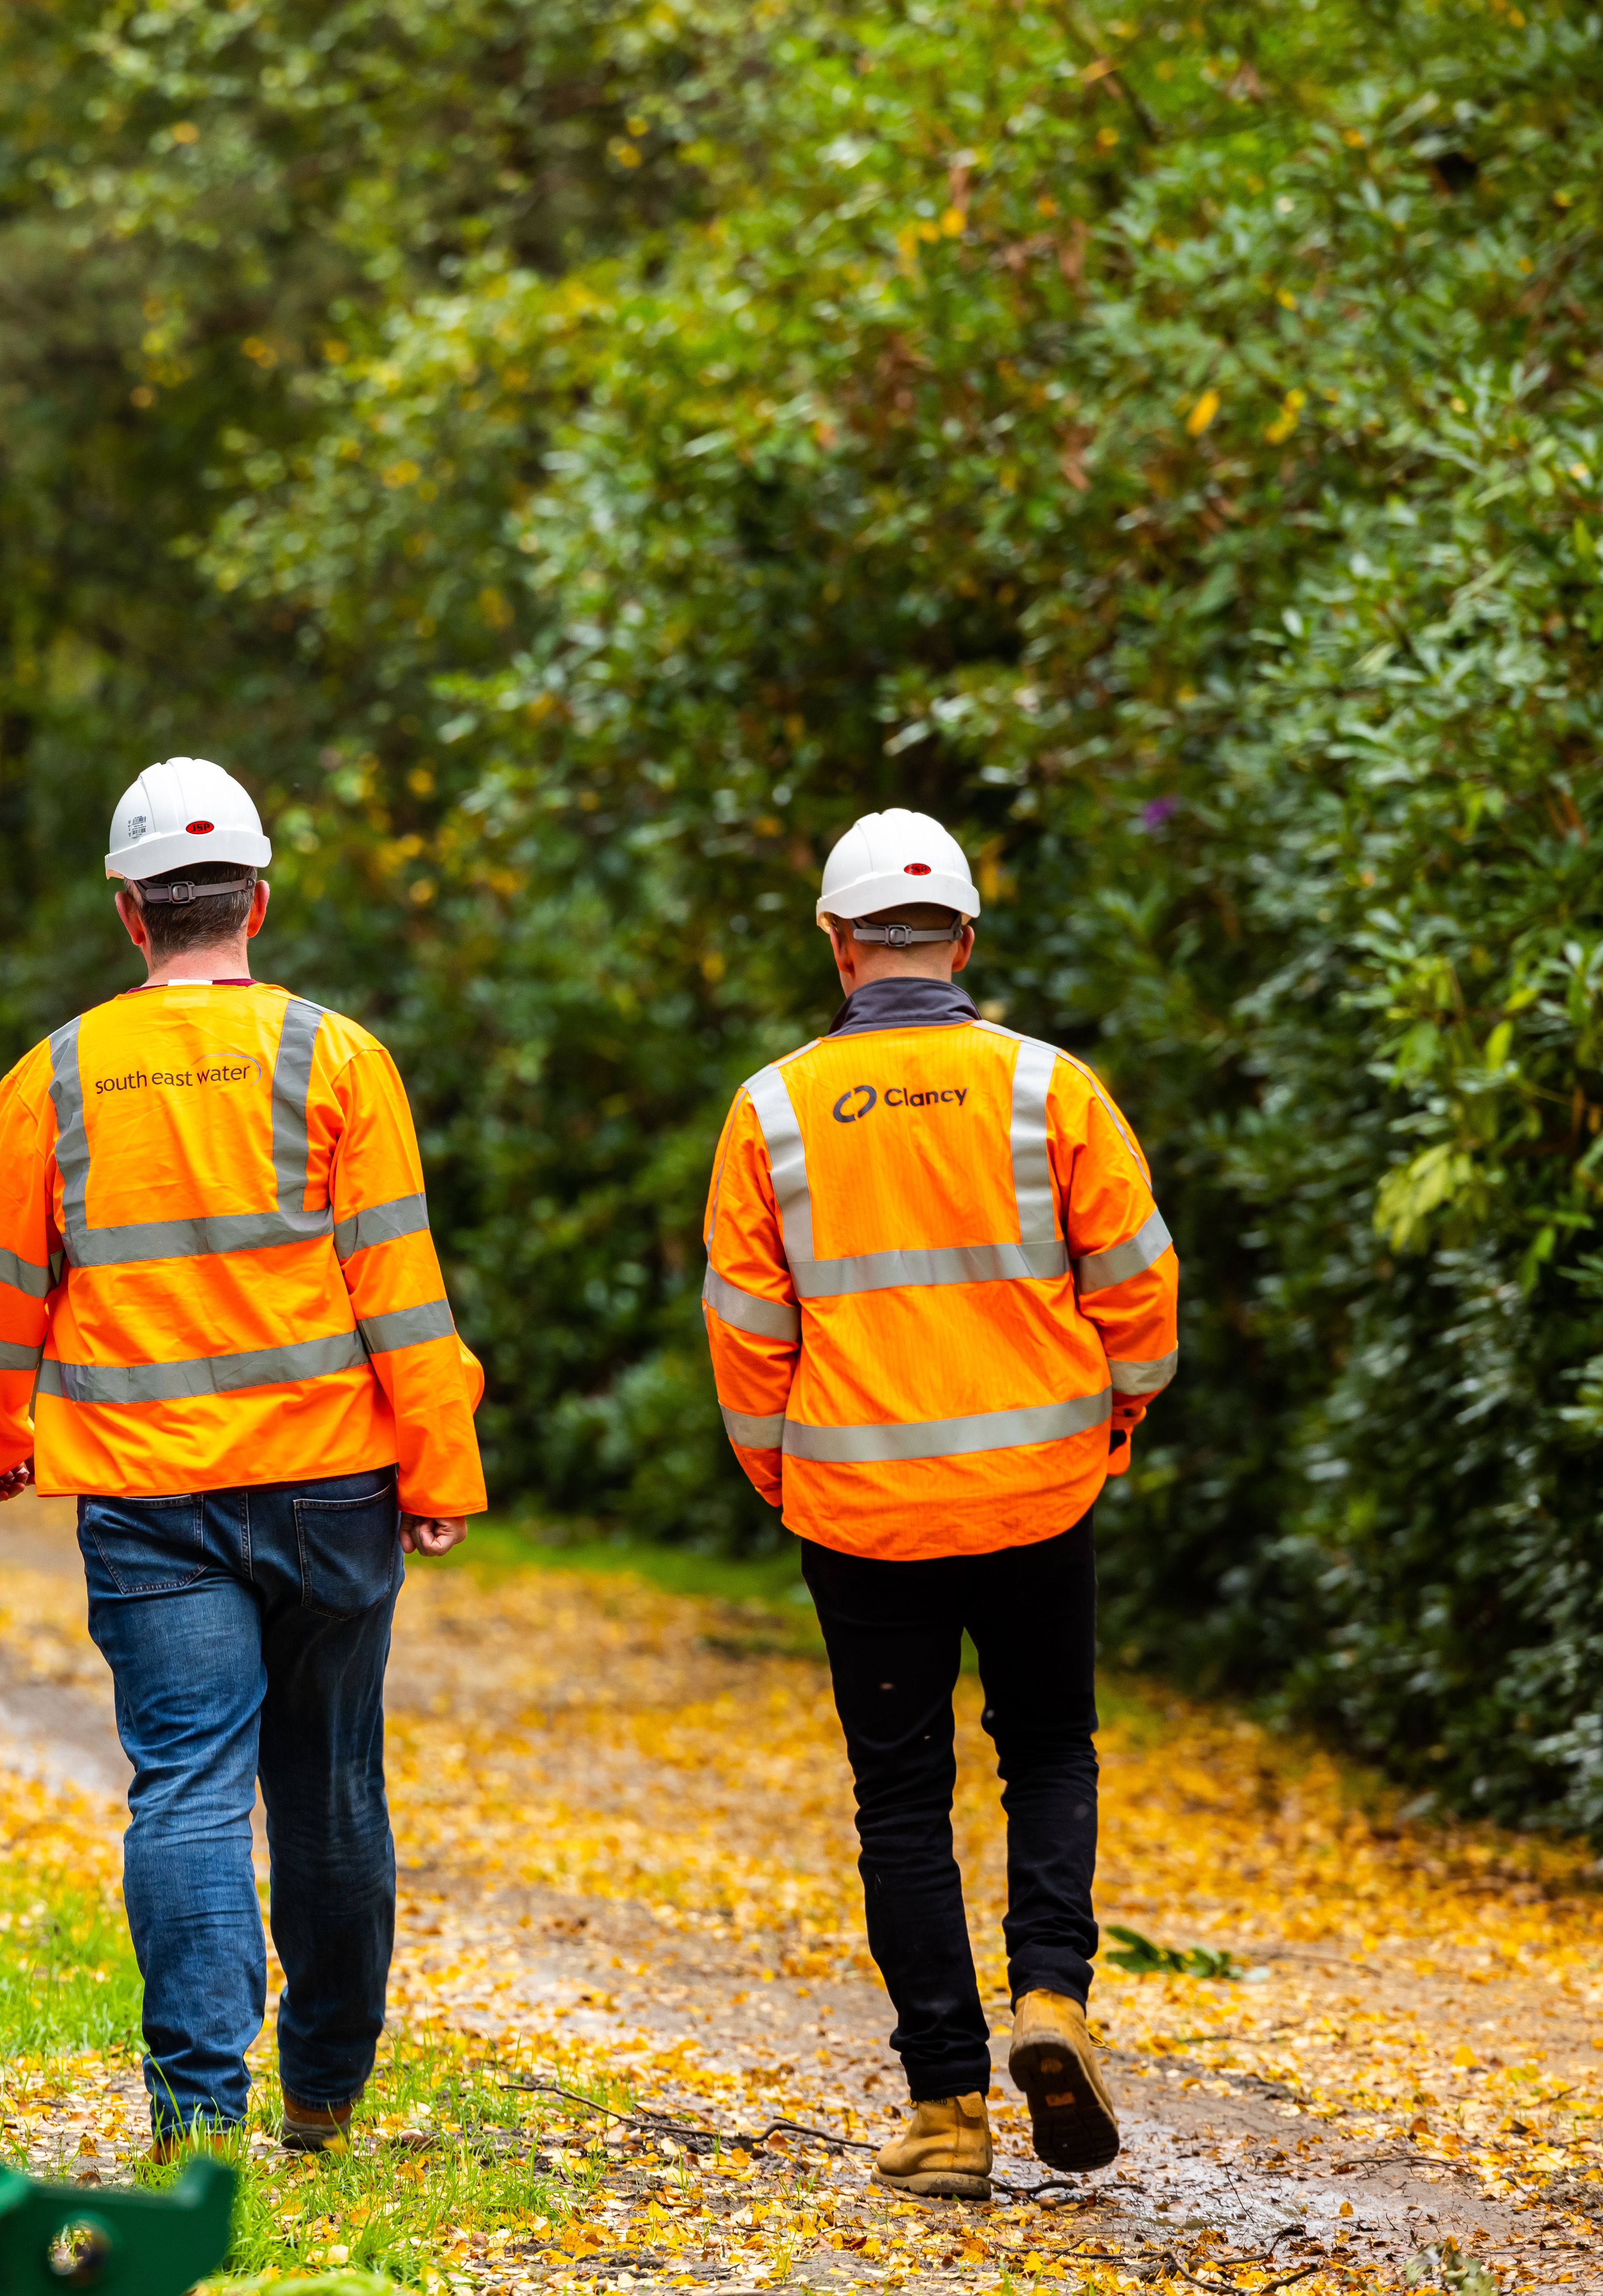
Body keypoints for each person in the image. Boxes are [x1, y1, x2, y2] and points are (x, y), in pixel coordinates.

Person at [0, 755, 488, 2158]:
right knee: (333, 1787)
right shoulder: (335, 1060)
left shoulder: (56, 1076)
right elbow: (402, 1292)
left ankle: (197, 2118)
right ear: (259, 900)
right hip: (331, 1491)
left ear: (131, 914)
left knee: (185, 1786)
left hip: (149, 1498)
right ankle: (326, 2092)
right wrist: (438, 1470)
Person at [700, 808, 1181, 2199]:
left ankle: (949, 2115)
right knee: (1048, 1749)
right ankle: (1052, 1999)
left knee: (902, 1797)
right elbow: (1141, 1294)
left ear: (837, 943)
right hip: (1038, 1492)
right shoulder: (1050, 1090)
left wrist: (785, 1472)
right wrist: (1111, 1422)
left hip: (859, 1511)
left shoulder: (775, 1110)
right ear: (964, 938)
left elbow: (746, 1332)